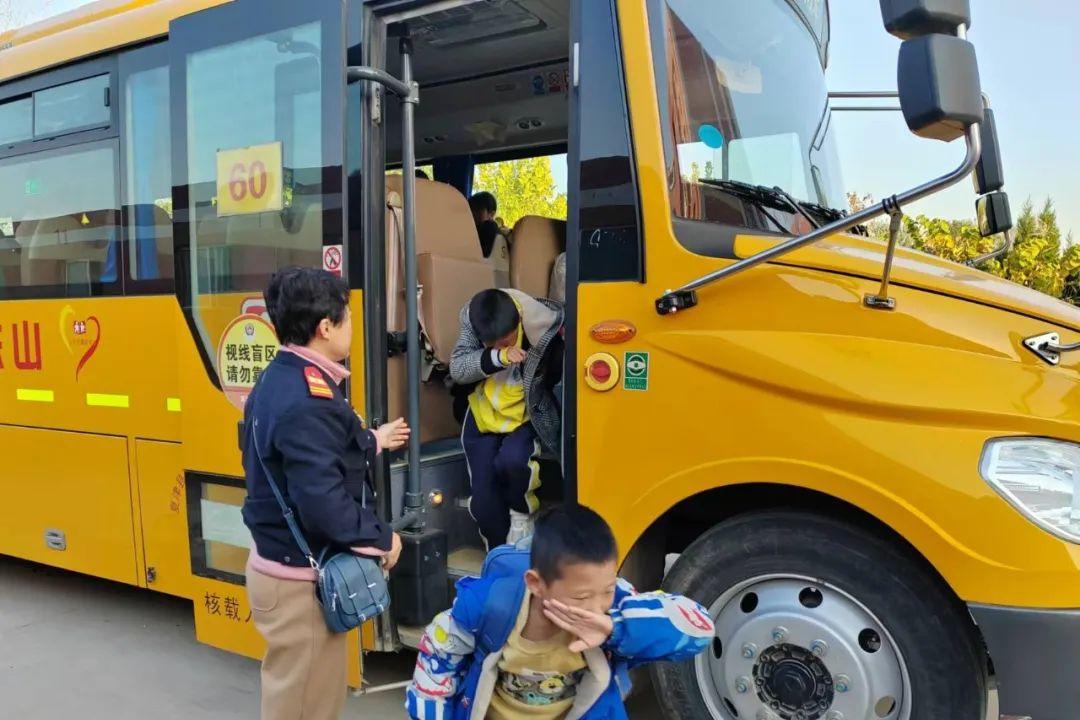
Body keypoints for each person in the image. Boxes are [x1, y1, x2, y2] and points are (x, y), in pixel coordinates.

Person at [241, 266, 411, 720]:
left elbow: (313, 455)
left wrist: (372, 440)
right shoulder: (307, 398)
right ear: (325, 328)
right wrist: (383, 538)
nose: (352, 326)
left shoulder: (283, 375)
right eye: (348, 318)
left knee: (303, 700)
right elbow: (322, 502)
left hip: (283, 567)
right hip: (299, 586)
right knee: (307, 708)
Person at [405, 505, 715, 720]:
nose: (596, 606)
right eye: (581, 597)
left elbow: (699, 629)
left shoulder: (614, 607)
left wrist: (615, 628)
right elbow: (435, 668)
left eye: (607, 589)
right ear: (536, 584)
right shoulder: (486, 607)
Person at [450, 288, 563, 548]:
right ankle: (497, 552)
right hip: (483, 412)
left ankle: (523, 515)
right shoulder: (472, 318)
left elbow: (555, 373)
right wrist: (498, 356)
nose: (502, 344)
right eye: (493, 342)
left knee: (513, 461)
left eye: (506, 340)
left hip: (527, 413)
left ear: (519, 321)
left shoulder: (543, 326)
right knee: (484, 503)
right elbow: (458, 368)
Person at [469, 191, 504, 258]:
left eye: (478, 210)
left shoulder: (490, 227)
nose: (474, 214)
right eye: (471, 210)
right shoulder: (470, 227)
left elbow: (482, 254)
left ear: (491, 214)